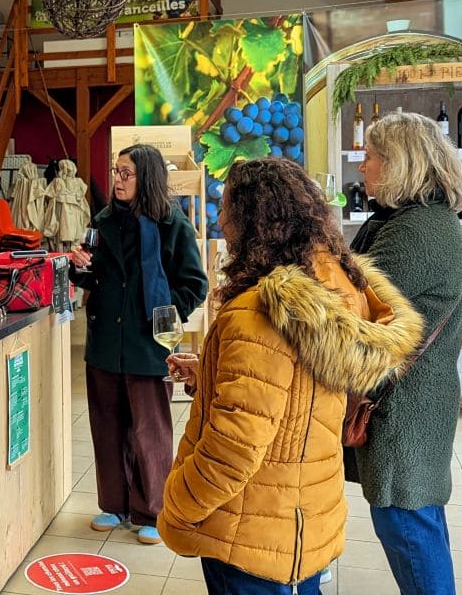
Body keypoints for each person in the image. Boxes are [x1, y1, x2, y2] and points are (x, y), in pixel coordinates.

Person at [159, 157, 423, 595]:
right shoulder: (336, 289)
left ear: (254, 217)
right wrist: (209, 373)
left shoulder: (256, 312)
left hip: (247, 534)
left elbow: (234, 447)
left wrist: (178, 505)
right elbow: (293, 395)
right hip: (304, 523)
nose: (221, 219)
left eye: (227, 206)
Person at [348, 112, 462, 594]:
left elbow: (357, 306)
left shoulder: (420, 229)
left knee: (410, 530)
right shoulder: (414, 219)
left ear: (399, 163)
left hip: (407, 410)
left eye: (371, 156)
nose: (363, 167)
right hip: (412, 402)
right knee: (415, 525)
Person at [68, 144, 208, 545]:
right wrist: (80, 269)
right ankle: (114, 505)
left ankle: (152, 509)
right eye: (115, 171)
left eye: (126, 173)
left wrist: (165, 312)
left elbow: (195, 285)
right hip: (105, 344)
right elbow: (91, 276)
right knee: (107, 427)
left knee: (149, 430)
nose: (117, 179)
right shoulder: (103, 220)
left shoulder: (172, 223)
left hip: (149, 346)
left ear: (145, 176)